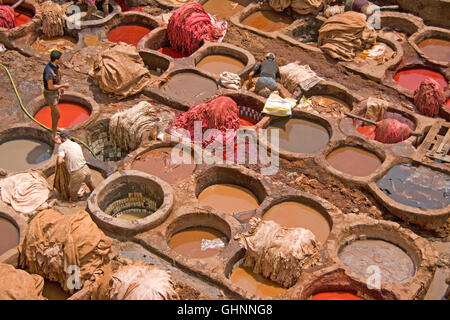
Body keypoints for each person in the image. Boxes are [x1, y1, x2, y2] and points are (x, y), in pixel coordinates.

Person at [57, 130, 95, 202]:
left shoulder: (62, 146)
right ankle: (95, 195)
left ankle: (74, 204)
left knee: (72, 190)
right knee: (89, 182)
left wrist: (64, 161)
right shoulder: (76, 144)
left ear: (62, 138)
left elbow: (59, 161)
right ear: (69, 137)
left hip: (77, 171)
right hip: (85, 167)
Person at [43, 50, 69, 143]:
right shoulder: (48, 71)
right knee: (57, 114)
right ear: (56, 59)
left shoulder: (56, 66)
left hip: (55, 93)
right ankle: (54, 136)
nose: (62, 59)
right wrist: (63, 86)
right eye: (61, 58)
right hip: (50, 95)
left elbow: (57, 79)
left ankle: (55, 127)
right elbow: (50, 86)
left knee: (54, 113)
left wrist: (60, 87)